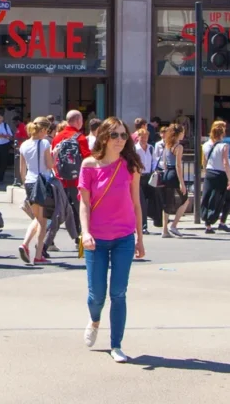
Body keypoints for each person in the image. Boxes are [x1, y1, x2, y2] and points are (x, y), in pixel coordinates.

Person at [78, 117, 144, 364]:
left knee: (118, 293)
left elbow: (136, 204)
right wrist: (85, 233)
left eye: (123, 135)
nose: (120, 140)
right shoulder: (89, 165)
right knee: (97, 294)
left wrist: (140, 238)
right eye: (115, 135)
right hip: (96, 237)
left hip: (124, 237)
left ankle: (116, 345)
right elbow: (84, 203)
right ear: (104, 137)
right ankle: (94, 320)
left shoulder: (130, 167)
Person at [50, 110, 92, 246]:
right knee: (81, 209)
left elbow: (53, 159)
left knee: (58, 210)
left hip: (60, 179)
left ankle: (47, 242)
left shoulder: (57, 137)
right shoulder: (80, 138)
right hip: (77, 180)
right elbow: (87, 159)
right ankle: (80, 239)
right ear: (78, 121)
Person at [18, 117, 55, 264]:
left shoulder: (24, 145)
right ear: (44, 130)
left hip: (29, 182)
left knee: (37, 218)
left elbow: (22, 169)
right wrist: (55, 155)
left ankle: (25, 244)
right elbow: (49, 164)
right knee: (43, 221)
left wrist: (24, 183)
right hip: (42, 182)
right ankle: (38, 255)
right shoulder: (45, 143)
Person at [153, 123, 188, 238]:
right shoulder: (179, 147)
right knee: (185, 200)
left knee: (166, 203)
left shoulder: (167, 145)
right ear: (179, 133)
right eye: (182, 132)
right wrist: (182, 183)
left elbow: (164, 161)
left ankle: (164, 230)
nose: (184, 134)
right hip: (174, 174)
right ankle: (174, 225)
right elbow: (178, 165)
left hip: (166, 173)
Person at [199, 120, 230, 234]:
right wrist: (229, 178)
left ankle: (208, 225)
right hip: (221, 174)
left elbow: (203, 161)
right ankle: (222, 222)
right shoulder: (224, 146)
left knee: (208, 197)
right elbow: (225, 163)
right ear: (222, 132)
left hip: (209, 172)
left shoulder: (205, 145)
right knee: (227, 199)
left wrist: (205, 171)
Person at [133, 123, 161, 233]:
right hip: (139, 177)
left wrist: (154, 169)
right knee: (141, 202)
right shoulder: (135, 149)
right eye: (142, 137)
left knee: (154, 199)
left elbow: (154, 160)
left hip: (149, 176)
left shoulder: (150, 148)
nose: (144, 139)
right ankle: (143, 226)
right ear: (138, 137)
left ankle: (156, 220)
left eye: (146, 137)